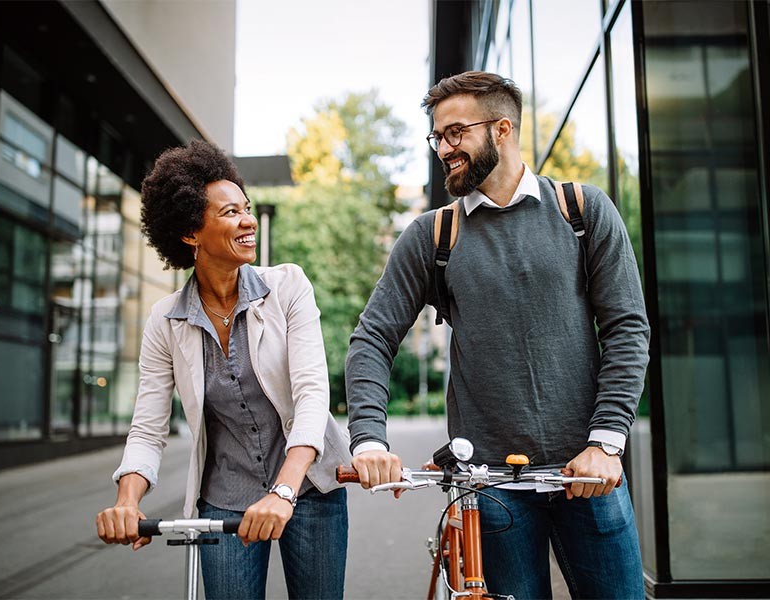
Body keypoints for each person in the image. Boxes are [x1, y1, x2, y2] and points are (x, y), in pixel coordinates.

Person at [346, 71, 649, 599]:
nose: (444, 148)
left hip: (588, 475)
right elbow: (372, 338)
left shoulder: (581, 209)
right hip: (490, 489)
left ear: (502, 129)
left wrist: (606, 442)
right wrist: (369, 437)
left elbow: (627, 327)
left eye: (456, 132)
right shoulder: (433, 235)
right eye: (438, 136)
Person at [96, 140, 350, 600]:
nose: (248, 220)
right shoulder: (166, 320)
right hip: (225, 500)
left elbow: (313, 395)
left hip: (309, 490)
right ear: (191, 233)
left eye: (247, 208)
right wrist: (127, 501)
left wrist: (284, 493)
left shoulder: (288, 287)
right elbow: (148, 428)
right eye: (231, 212)